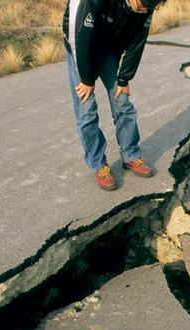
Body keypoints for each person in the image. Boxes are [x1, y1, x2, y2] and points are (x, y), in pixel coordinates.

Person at [63, 0, 164, 191]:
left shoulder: (146, 5)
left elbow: (137, 42)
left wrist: (125, 78)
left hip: (109, 49)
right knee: (87, 111)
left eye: (149, 7)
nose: (144, 9)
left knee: (122, 102)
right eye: (142, 4)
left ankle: (131, 155)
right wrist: (86, 79)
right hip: (81, 50)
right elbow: (79, 36)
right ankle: (98, 164)